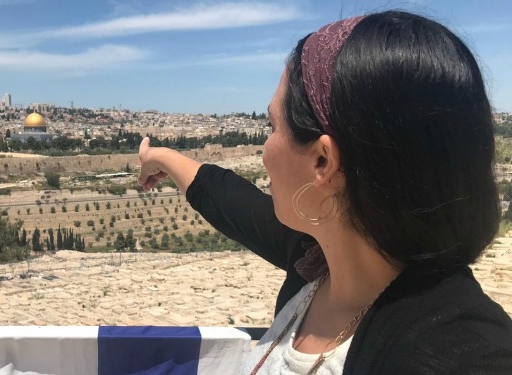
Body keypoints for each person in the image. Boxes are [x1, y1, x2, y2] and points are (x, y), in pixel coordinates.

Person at [138, 10, 512, 375]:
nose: (264, 150)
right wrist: (161, 158)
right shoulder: (320, 261)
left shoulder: (454, 347)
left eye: (271, 127)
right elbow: (224, 197)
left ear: (322, 161)